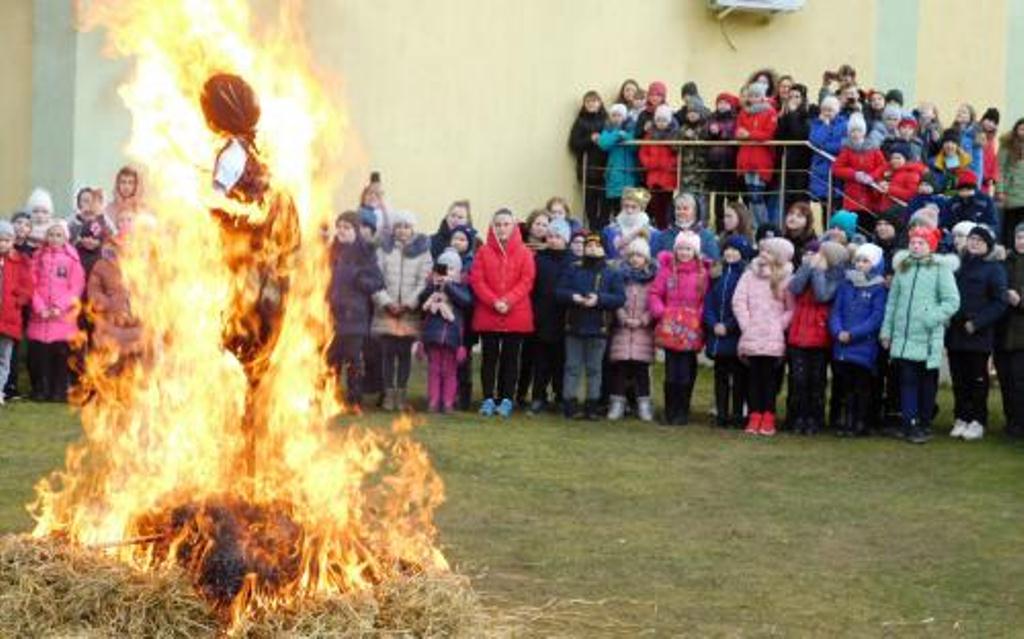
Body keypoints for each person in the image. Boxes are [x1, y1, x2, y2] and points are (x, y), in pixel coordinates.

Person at [880, 226, 960, 444]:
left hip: (926, 338)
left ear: (930, 246)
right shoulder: (902, 268)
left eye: (921, 243)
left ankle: (924, 422)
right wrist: (887, 331)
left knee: (926, 384)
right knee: (906, 381)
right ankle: (910, 423)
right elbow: (892, 302)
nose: (915, 246)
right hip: (903, 337)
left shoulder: (939, 269)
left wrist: (930, 317)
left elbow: (952, 301)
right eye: (913, 242)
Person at [471, 209, 536, 418]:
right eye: (498, 224)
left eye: (506, 224)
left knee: (511, 358)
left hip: (515, 313)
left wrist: (508, 300)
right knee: (489, 358)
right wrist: (493, 301)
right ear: (492, 227)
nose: (502, 228)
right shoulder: (483, 252)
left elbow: (527, 280)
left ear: (513, 226)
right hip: (489, 312)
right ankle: (489, 398)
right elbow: (477, 280)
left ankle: (507, 398)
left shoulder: (525, 253)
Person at [946, 225, 1007, 441]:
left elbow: (1000, 302)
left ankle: (978, 420)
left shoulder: (994, 268)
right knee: (959, 379)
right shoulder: (959, 265)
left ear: (988, 245)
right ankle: (961, 417)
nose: (974, 243)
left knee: (978, 380)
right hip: (955, 331)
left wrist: (978, 322)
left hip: (978, 334)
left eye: (979, 241)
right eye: (971, 239)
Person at [556, 233, 624, 419]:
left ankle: (592, 404)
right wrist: (573, 297)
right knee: (572, 366)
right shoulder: (574, 269)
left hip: (598, 327)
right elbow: (559, 292)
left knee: (595, 368)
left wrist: (599, 299)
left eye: (597, 245)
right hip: (574, 325)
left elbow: (619, 298)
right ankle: (569, 403)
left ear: (604, 249)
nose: (592, 249)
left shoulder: (611, 272)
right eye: (589, 245)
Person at [733, 237, 795, 436]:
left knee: (769, 379)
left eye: (768, 252)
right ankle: (754, 415)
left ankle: (768, 415)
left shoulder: (786, 278)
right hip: (752, 334)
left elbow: (791, 308)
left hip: (772, 336)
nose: (763, 254)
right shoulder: (749, 275)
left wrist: (778, 326)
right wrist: (747, 325)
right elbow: (739, 301)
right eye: (762, 251)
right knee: (753, 378)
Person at [371, 210, 433, 412]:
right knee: (388, 354)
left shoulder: (423, 252)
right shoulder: (383, 249)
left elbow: (424, 281)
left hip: (408, 312)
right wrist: (387, 302)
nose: (402, 230)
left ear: (412, 229)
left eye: (406, 226)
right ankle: (389, 395)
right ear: (394, 229)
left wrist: (408, 303)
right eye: (399, 226)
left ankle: (401, 394)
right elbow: (375, 278)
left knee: (404, 355)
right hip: (387, 312)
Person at [648, 231, 711, 425]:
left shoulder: (702, 274)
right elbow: (655, 292)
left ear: (695, 251)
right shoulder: (667, 270)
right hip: (670, 325)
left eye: (688, 249)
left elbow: (706, 298)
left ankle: (682, 410)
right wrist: (660, 311)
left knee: (685, 370)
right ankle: (670, 410)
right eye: (681, 248)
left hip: (691, 327)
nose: (684, 252)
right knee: (671, 370)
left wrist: (699, 316)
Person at [786, 240, 847, 435]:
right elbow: (795, 288)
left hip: (819, 333)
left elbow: (822, 295)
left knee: (816, 379)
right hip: (800, 330)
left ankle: (815, 418)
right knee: (798, 379)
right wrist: (807, 267)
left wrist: (817, 272)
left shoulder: (836, 276)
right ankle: (798, 417)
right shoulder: (810, 268)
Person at [328, 210, 385, 412]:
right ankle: (329, 398)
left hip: (355, 317)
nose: (342, 231)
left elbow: (378, 281)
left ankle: (354, 400)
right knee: (330, 361)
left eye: (347, 227)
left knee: (353, 360)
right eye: (340, 227)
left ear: (356, 230)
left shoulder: (364, 254)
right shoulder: (332, 251)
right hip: (332, 316)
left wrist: (361, 280)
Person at [829, 242, 888, 436]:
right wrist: (838, 331)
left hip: (863, 345)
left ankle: (860, 422)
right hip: (842, 343)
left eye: (866, 261)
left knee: (861, 386)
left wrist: (853, 334)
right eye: (858, 260)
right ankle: (845, 421)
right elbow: (836, 311)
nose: (861, 264)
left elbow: (876, 318)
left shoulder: (878, 288)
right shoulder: (846, 284)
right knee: (844, 386)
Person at [27, 221, 86, 402]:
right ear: (46, 237)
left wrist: (58, 307)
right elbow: (31, 284)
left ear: (65, 238)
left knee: (60, 359)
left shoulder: (72, 260)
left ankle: (58, 391)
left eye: (58, 235)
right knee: (40, 358)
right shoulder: (37, 258)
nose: (54, 238)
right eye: (51, 234)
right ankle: (40, 390)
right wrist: (40, 307)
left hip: (62, 319)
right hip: (40, 317)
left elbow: (75, 287)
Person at [704, 234, 753, 428]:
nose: (730, 253)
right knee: (720, 377)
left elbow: (744, 305)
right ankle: (721, 414)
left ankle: (737, 414)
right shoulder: (717, 274)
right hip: (717, 334)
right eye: (728, 249)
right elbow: (708, 303)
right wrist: (713, 323)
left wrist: (729, 325)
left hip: (736, 335)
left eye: (735, 250)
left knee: (739, 378)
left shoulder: (745, 276)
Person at [608, 238, 657, 422]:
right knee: (620, 370)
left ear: (646, 258)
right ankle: (617, 404)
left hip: (643, 332)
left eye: (639, 255)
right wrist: (623, 317)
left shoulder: (651, 281)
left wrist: (643, 320)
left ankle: (643, 405)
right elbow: (616, 300)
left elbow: (653, 304)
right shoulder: (620, 278)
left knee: (641, 371)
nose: (636, 259)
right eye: (632, 255)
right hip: (623, 330)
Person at [419, 248, 473, 414]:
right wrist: (434, 285)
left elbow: (466, 302)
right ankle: (434, 401)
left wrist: (448, 286)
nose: (446, 272)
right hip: (433, 337)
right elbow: (422, 300)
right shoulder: (432, 287)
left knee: (450, 372)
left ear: (457, 272)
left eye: (450, 269)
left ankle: (448, 402)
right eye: (442, 268)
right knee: (434, 370)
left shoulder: (460, 288)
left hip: (452, 338)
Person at [527, 218, 572, 415]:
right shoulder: (539, 259)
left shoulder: (573, 261)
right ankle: (538, 397)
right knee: (541, 361)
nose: (553, 240)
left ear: (566, 239)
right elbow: (532, 288)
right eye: (551, 236)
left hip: (564, 318)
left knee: (561, 361)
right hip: (541, 316)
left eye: (558, 236)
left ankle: (561, 396)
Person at [735, 82, 779, 227]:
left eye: (756, 95)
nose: (753, 98)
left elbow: (768, 134)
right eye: (751, 95)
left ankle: (763, 226)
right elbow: (738, 131)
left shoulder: (770, 112)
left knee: (757, 196)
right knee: (750, 196)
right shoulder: (744, 112)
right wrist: (743, 134)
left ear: (762, 97)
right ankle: (754, 227)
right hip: (746, 159)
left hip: (761, 160)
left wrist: (749, 134)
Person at [832, 112, 886, 227]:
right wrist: (855, 174)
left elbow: (883, 166)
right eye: (853, 131)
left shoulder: (873, 148)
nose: (856, 134)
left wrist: (872, 176)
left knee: (870, 225)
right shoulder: (847, 150)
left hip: (871, 196)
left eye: (859, 130)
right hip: (853, 197)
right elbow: (836, 168)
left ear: (864, 132)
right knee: (854, 226)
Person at [0, 221, 33, 405]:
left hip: (8, 318)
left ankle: (0, 390)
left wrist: (16, 302)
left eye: (6, 240)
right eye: (0, 240)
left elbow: (27, 287)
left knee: (4, 358)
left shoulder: (20, 262)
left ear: (12, 241)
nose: (2, 243)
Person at [997, 223, 1024, 437]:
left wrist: (1020, 300)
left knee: (1019, 380)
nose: (1021, 242)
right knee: (1006, 380)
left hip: (1021, 334)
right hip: (1002, 331)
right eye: (1019, 237)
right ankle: (1012, 422)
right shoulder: (1004, 262)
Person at [568, 90, 609, 230]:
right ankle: (592, 232)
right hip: (588, 169)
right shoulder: (580, 121)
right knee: (590, 205)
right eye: (588, 101)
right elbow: (574, 144)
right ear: (584, 104)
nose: (592, 104)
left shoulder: (607, 120)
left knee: (605, 205)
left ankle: (602, 233)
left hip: (606, 169)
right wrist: (590, 139)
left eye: (595, 101)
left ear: (600, 103)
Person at [449, 224, 478, 410]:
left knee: (464, 359)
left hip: (466, 319)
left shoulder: (472, 263)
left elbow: (471, 293)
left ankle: (464, 395)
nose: (458, 242)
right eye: (455, 238)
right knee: (448, 359)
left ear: (469, 243)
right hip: (447, 317)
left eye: (462, 239)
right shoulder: (444, 259)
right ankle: (448, 394)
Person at [637, 104, 679, 230]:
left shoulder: (674, 135)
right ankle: (659, 227)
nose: (661, 123)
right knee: (655, 204)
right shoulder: (650, 135)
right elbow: (643, 152)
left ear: (669, 120)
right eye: (659, 120)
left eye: (664, 120)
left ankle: (666, 227)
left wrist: (671, 163)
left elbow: (678, 153)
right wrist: (649, 162)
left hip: (668, 176)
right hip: (653, 174)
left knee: (667, 204)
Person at [597, 104, 638, 220]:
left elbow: (634, 146)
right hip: (614, 172)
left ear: (624, 116)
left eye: (619, 115)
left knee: (629, 204)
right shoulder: (608, 129)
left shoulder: (631, 128)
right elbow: (603, 143)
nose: (616, 118)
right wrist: (617, 135)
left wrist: (624, 136)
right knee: (615, 205)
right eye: (613, 115)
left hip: (629, 173)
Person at [652, 192, 719, 260]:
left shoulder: (707, 236)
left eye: (685, 209)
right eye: (678, 208)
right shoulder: (664, 236)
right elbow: (653, 260)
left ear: (695, 211)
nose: (681, 212)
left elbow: (713, 262)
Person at [707, 92, 740, 221]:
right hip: (716, 163)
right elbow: (706, 135)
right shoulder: (712, 117)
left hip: (731, 162)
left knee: (732, 197)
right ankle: (719, 224)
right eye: (719, 102)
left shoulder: (735, 118)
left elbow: (735, 135)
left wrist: (721, 132)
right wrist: (710, 132)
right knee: (719, 197)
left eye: (725, 103)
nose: (722, 105)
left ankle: (733, 221)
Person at [808, 95, 847, 205]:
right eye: (824, 110)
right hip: (821, 170)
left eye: (830, 110)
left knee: (837, 205)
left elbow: (842, 145)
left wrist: (824, 146)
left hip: (837, 170)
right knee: (825, 206)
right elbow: (815, 141)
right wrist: (824, 126)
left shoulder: (845, 124)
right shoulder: (817, 124)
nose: (827, 113)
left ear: (837, 110)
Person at [602, 187, 654, 261]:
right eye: (626, 206)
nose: (629, 211)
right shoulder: (609, 231)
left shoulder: (653, 233)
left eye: (634, 207)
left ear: (641, 208)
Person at [677, 96, 710, 211]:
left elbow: (707, 142)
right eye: (690, 112)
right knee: (686, 199)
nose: (692, 114)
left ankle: (703, 224)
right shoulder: (683, 128)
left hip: (701, 172)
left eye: (695, 112)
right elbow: (674, 145)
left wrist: (694, 137)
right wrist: (683, 136)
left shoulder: (705, 127)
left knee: (701, 200)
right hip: (686, 172)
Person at [873, 143, 926, 212]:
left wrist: (890, 189)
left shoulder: (912, 173)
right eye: (892, 158)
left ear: (905, 159)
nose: (894, 161)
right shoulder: (889, 170)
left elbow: (911, 194)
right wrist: (880, 185)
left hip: (898, 211)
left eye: (898, 158)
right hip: (882, 209)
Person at [998, 118, 1024, 247]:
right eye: (1022, 129)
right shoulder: (1007, 145)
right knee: (1010, 225)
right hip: (1011, 191)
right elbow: (1000, 169)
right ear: (1016, 130)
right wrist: (1000, 190)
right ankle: (1008, 250)